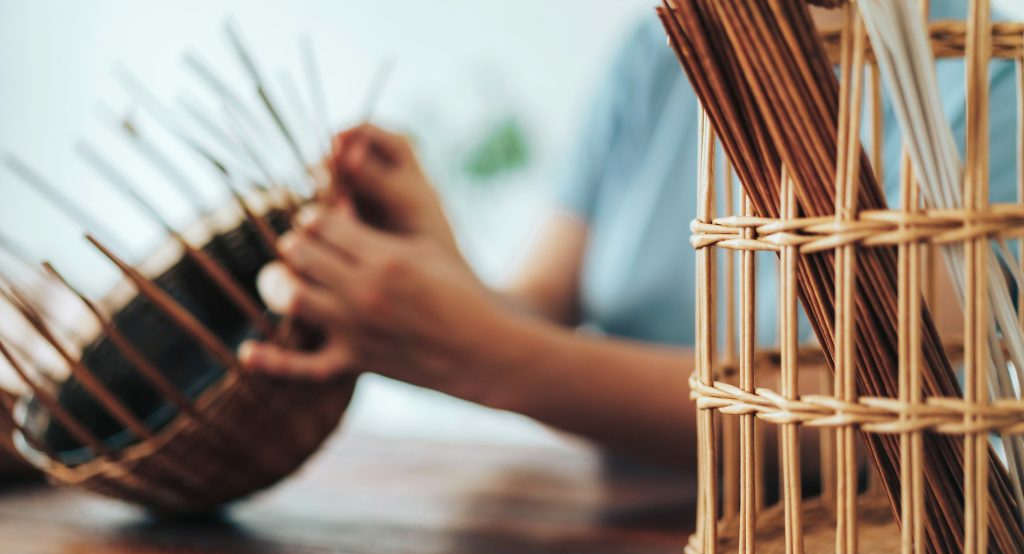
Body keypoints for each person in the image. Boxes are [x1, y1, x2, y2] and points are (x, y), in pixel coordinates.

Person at [238, 2, 1017, 470]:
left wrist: (488, 358)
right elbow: (544, 307)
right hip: (605, 552)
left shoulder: (986, 78)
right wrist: (434, 262)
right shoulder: (660, 52)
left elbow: (909, 422)